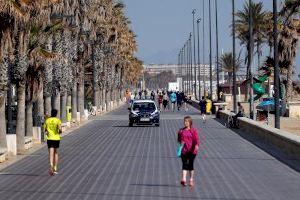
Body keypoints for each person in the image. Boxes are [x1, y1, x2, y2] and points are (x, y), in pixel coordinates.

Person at [177, 116, 200, 187]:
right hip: (184, 150)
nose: (185, 122)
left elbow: (197, 139)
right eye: (184, 121)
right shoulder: (181, 131)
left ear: (190, 122)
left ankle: (191, 180)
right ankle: (183, 179)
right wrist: (181, 143)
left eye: (187, 121)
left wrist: (196, 145)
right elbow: (179, 140)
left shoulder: (193, 130)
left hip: (192, 151)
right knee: (184, 164)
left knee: (190, 165)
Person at [44, 109, 62, 176]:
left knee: (50, 153)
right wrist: (59, 131)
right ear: (56, 114)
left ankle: (51, 164)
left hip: (49, 138)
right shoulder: (57, 120)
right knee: (56, 153)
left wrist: (48, 132)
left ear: (51, 113)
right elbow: (60, 129)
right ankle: (55, 167)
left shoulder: (47, 120)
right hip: (56, 138)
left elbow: (45, 130)